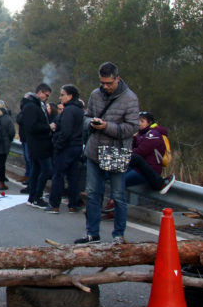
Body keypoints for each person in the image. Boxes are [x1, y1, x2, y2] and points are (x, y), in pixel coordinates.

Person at [77, 62, 140, 245]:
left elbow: (132, 127)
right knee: (92, 193)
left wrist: (107, 127)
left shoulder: (130, 99)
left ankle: (118, 235)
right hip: (95, 150)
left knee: (118, 195)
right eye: (102, 83)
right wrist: (91, 123)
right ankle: (92, 233)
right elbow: (86, 117)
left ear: (117, 79)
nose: (105, 86)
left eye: (109, 83)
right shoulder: (95, 95)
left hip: (116, 151)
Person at [45, 84, 84, 214]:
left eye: (62, 94)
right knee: (73, 177)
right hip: (77, 146)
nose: (60, 97)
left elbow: (66, 131)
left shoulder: (68, 110)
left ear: (70, 96)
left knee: (58, 175)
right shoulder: (79, 110)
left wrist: (58, 144)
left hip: (66, 147)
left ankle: (54, 204)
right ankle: (73, 204)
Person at [125, 111, 176, 193]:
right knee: (113, 178)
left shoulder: (153, 134)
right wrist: (134, 138)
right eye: (137, 120)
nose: (139, 123)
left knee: (120, 182)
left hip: (150, 170)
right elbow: (131, 149)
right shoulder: (140, 134)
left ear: (150, 123)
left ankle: (160, 183)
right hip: (139, 168)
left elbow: (139, 152)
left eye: (142, 121)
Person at [21, 83, 53, 208]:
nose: (47, 98)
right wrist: (48, 127)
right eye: (46, 95)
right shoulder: (31, 106)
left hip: (39, 144)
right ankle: (37, 196)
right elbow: (31, 126)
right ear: (40, 92)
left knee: (36, 170)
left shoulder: (36, 105)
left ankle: (33, 196)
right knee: (46, 170)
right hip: (38, 144)